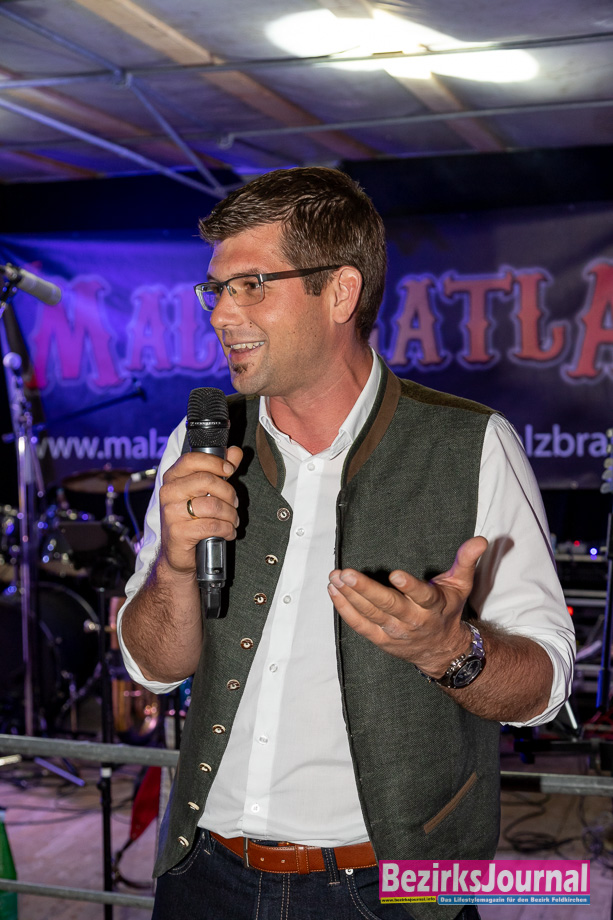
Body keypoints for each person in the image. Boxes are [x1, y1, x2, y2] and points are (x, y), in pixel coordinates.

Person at [118, 167, 575, 920]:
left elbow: (546, 683)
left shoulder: (471, 446)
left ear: (339, 292)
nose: (222, 313)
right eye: (216, 289)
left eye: (252, 285)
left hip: (392, 891)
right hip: (204, 875)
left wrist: (450, 650)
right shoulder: (198, 444)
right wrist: (173, 567)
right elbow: (154, 667)